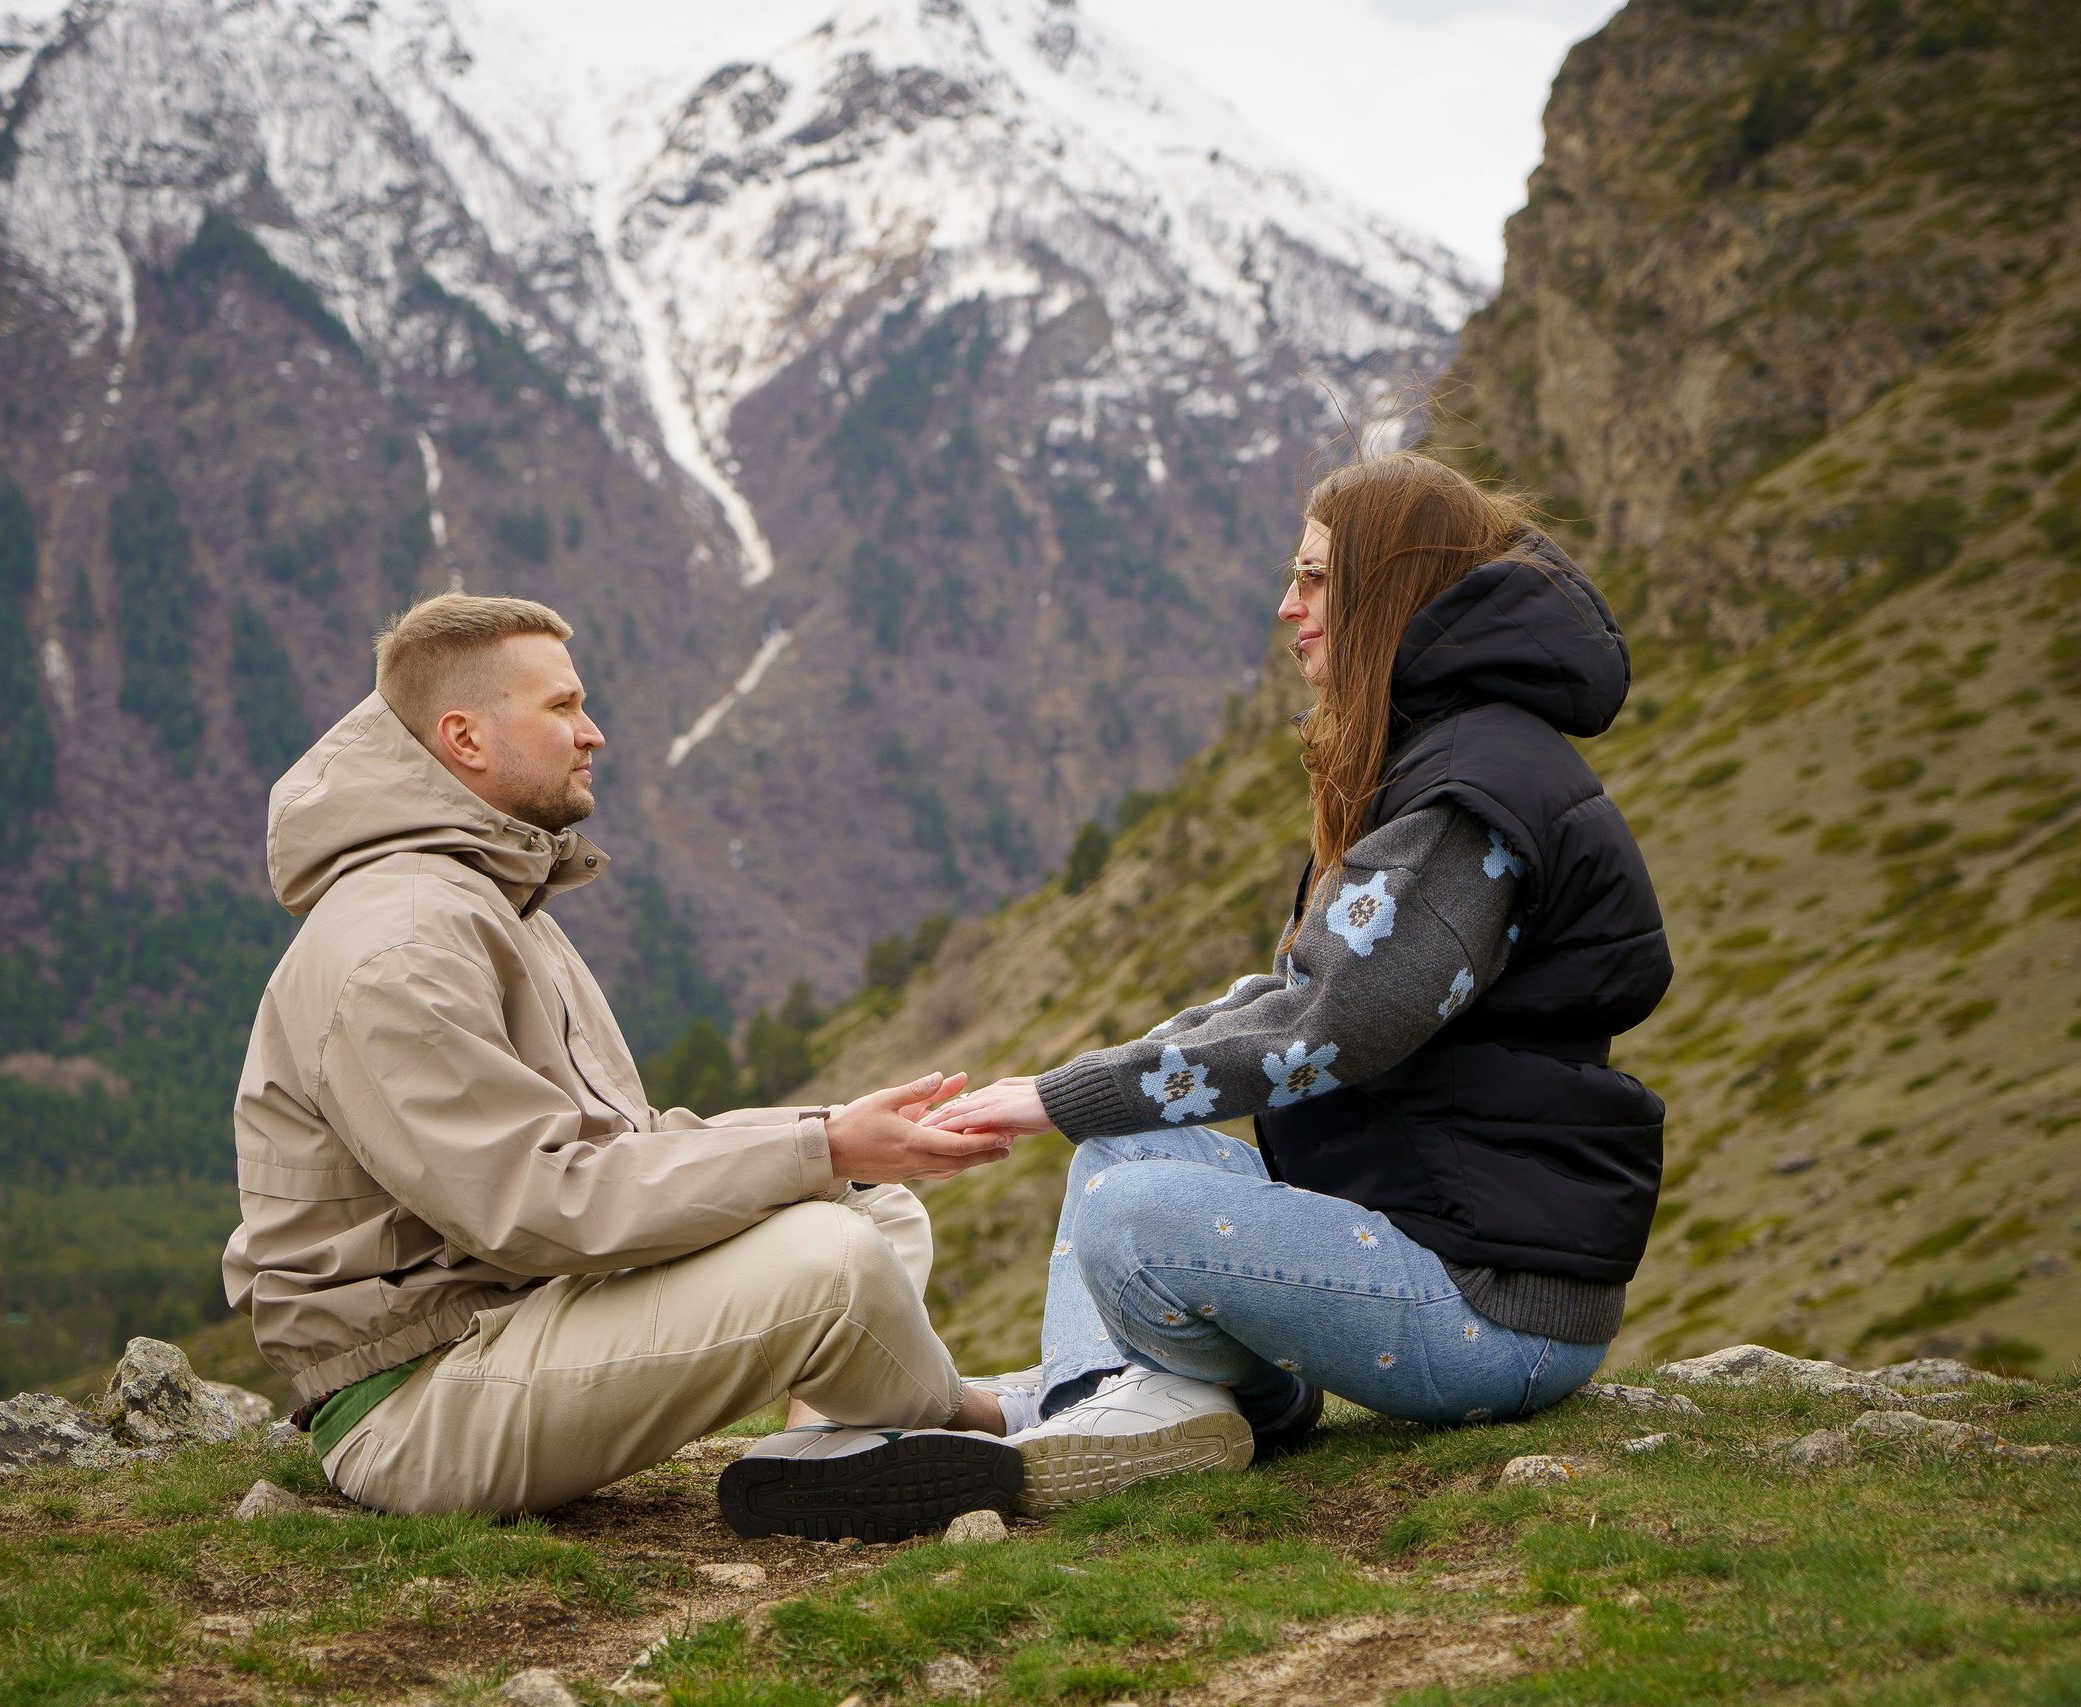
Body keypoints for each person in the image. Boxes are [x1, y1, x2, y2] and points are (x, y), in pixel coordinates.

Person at [931, 450, 1673, 1510]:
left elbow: (1324, 1027)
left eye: (1316, 577)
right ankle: (1107, 1400)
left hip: (1493, 1309)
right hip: (1433, 1234)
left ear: (1388, 588)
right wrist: (1083, 1089)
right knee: (1123, 1147)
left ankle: (1103, 1407)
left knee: (1130, 1214)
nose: (1289, 605)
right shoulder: (1444, 752)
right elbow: (1298, 985)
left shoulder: (1465, 799)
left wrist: (1057, 1097)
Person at [223, 593, 1023, 1540]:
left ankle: (823, 1449)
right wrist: (821, 1147)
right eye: (561, 706)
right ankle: (1003, 1423)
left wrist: (834, 1140)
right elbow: (536, 1201)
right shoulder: (401, 942)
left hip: (521, 1318)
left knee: (871, 1201)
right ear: (464, 738)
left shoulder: (489, 900)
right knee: (834, 1263)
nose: (592, 732)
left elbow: (619, 1146)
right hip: (420, 1399)